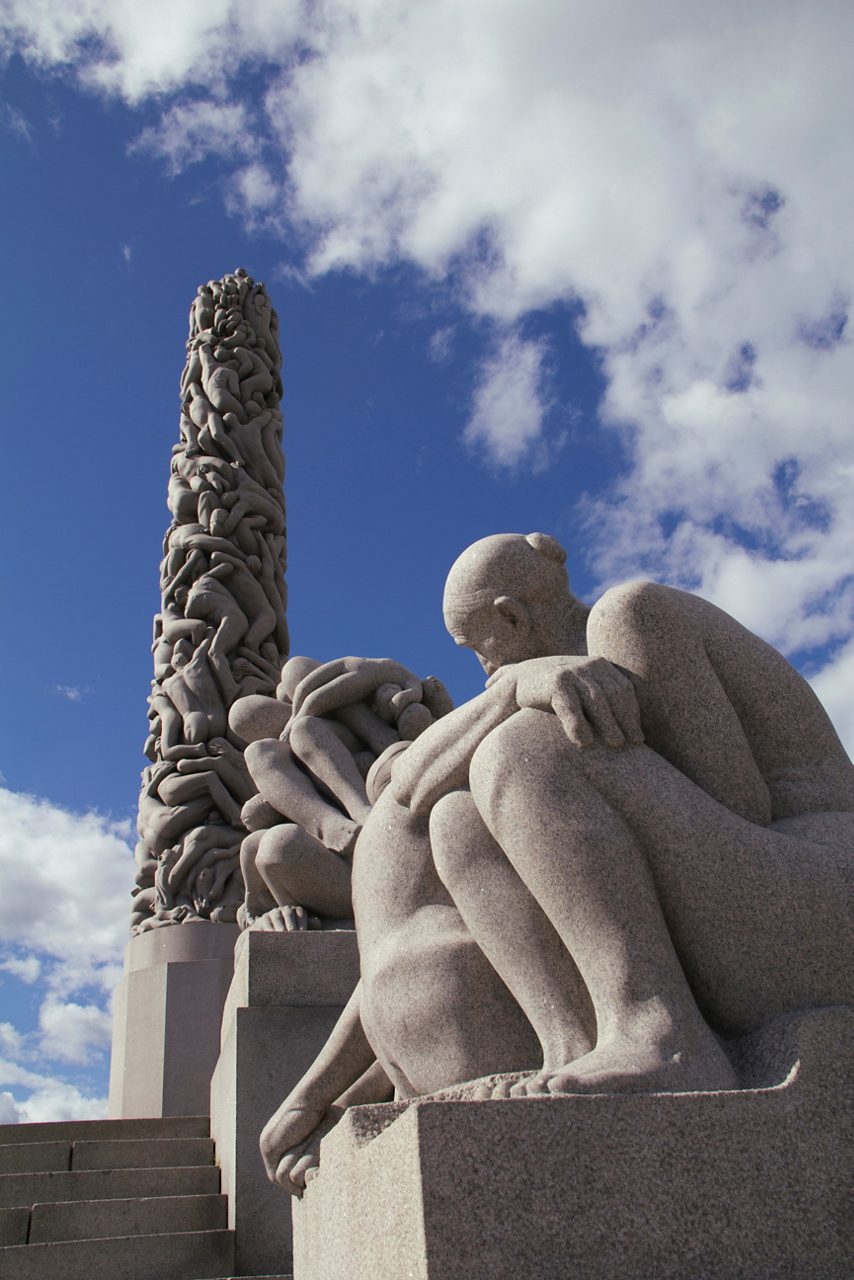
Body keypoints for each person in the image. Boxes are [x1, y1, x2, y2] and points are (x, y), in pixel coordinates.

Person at [260, 531, 854, 1193]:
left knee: (518, 756)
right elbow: (411, 793)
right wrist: (520, 685)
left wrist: (549, 734)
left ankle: (662, 1033)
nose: (482, 668)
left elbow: (736, 800)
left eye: (481, 649)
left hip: (819, 905)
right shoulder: (552, 676)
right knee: (459, 817)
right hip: (752, 904)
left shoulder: (629, 616)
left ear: (512, 617)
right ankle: (577, 1045)